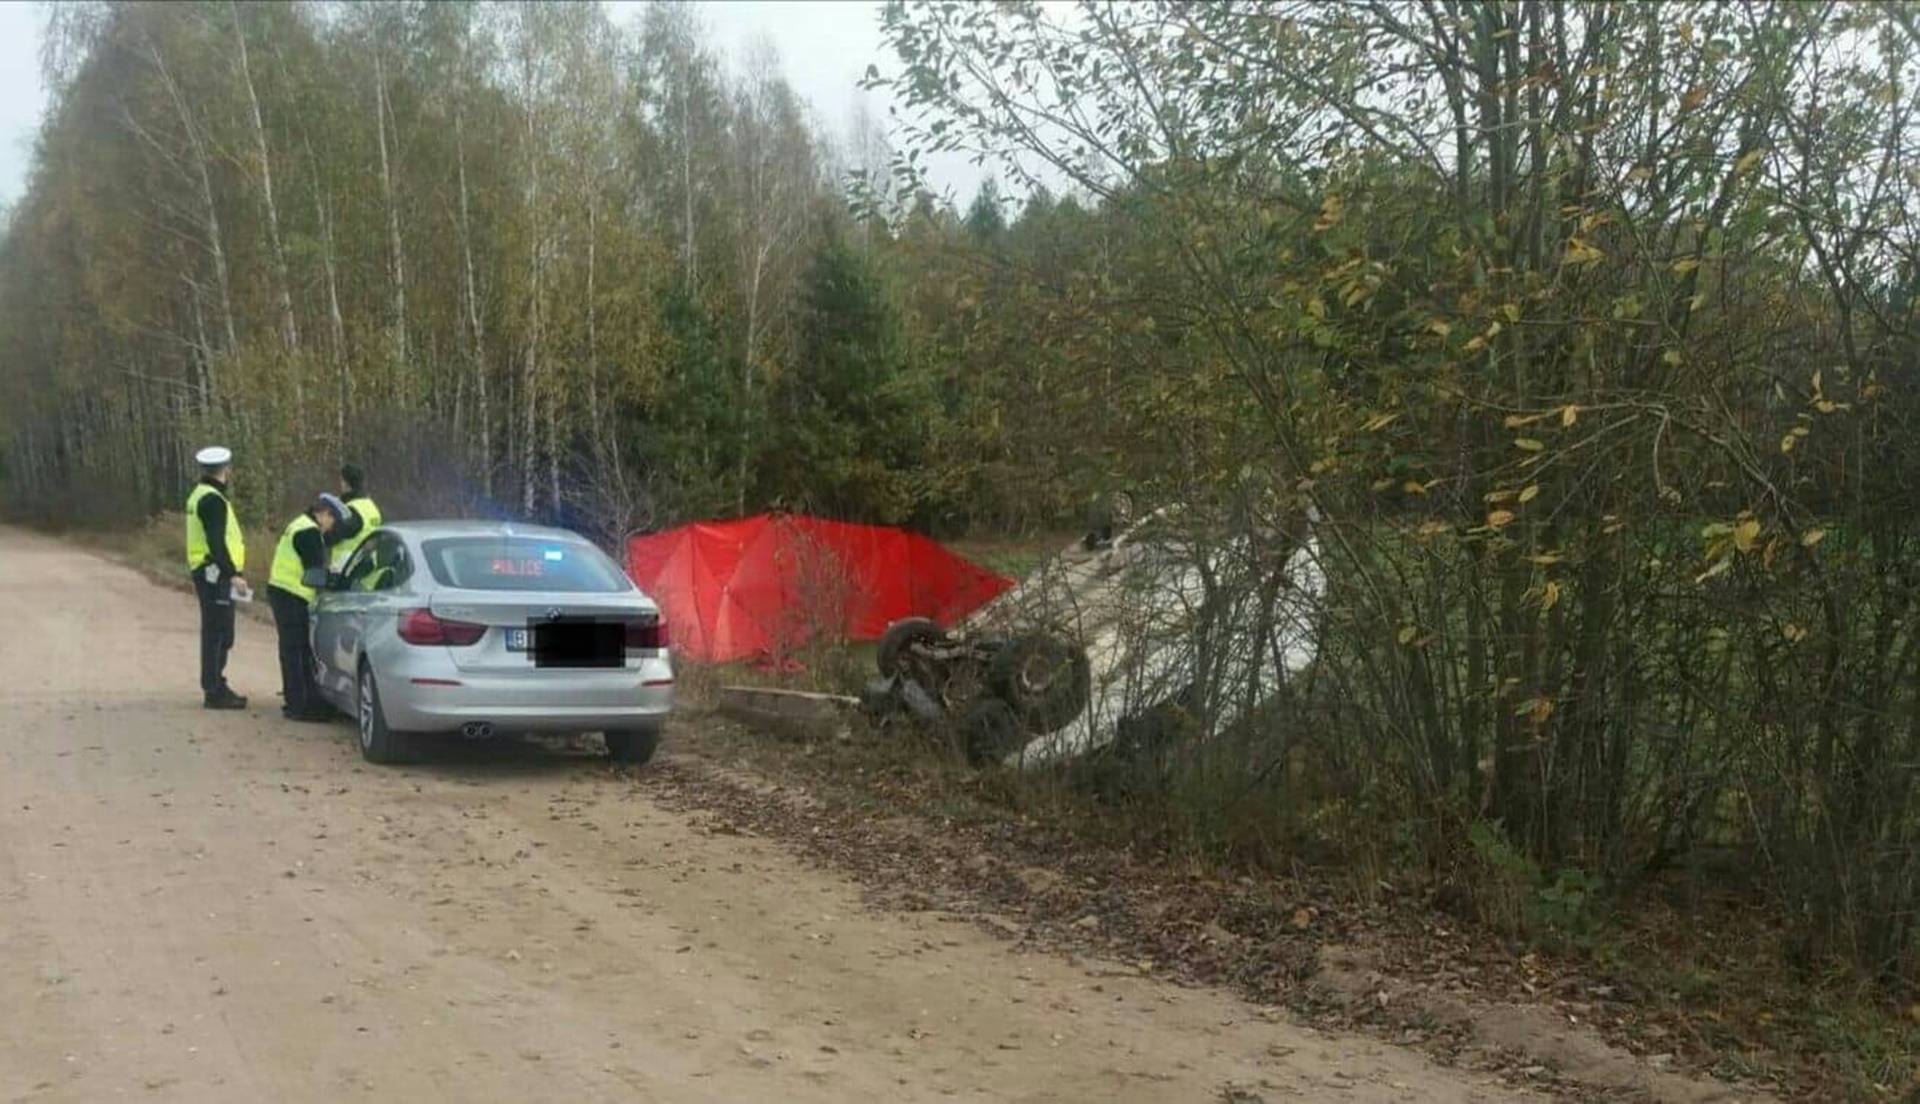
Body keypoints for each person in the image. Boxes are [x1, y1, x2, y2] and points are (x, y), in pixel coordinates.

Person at [268, 493, 348, 723]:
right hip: (292, 594)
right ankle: (301, 706)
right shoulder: (308, 531)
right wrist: (338, 581)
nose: (331, 527)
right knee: (297, 650)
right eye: (332, 521)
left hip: (283, 590)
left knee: (292, 650)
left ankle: (296, 702)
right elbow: (315, 570)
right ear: (323, 514)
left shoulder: (299, 524)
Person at [185, 446, 248, 710]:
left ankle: (214, 684)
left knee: (217, 630)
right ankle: (214, 689)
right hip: (215, 573)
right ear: (226, 470)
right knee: (219, 631)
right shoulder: (213, 500)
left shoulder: (200, 494)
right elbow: (216, 541)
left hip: (207, 570)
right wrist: (233, 574)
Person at [331, 463, 382, 569]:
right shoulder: (371, 505)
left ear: (346, 484)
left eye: (341, 481)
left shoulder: (350, 510)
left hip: (347, 570)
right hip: (368, 566)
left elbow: (333, 536)